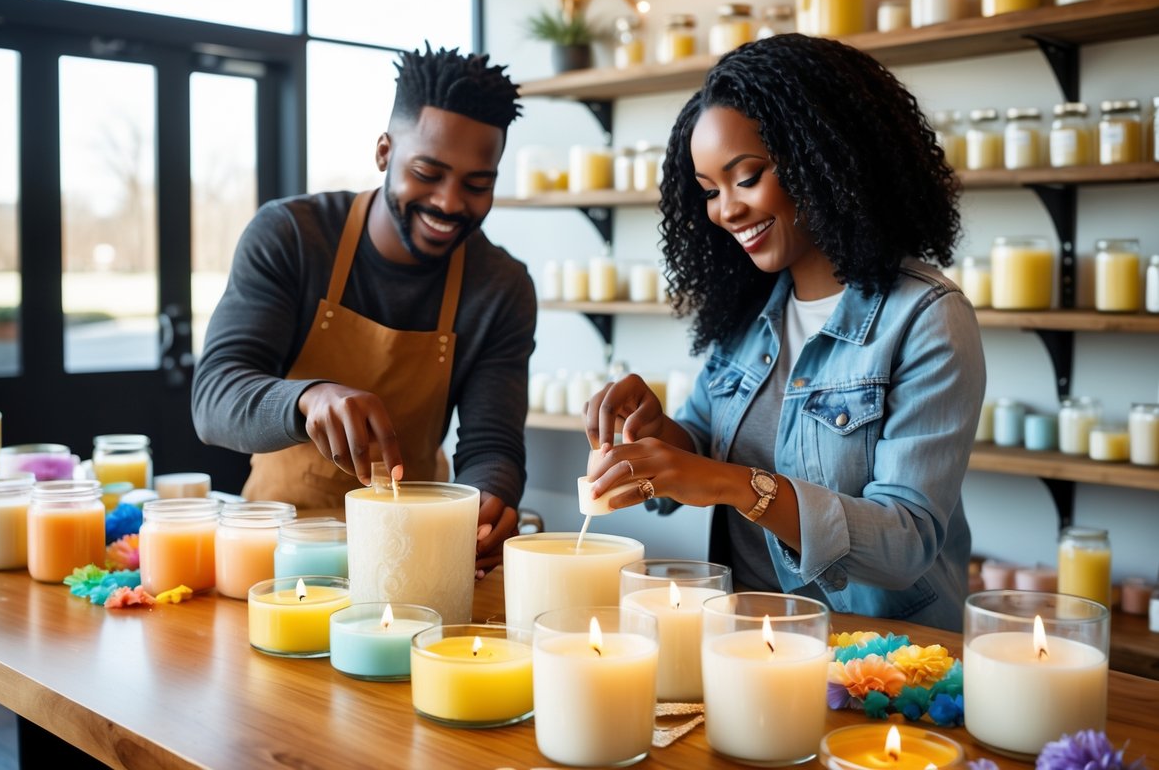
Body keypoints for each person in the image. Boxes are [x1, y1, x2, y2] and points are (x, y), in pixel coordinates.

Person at [584, 34, 985, 631]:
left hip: (872, 653)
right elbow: (703, 445)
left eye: (746, 178)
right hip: (742, 636)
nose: (726, 211)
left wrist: (733, 485)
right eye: (710, 192)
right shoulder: (747, 309)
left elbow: (905, 542)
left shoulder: (924, 316)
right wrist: (656, 433)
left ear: (824, 156)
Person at [192, 44, 535, 576]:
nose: (448, 203)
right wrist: (307, 399)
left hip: (411, 554)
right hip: (279, 549)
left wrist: (490, 501)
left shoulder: (501, 286)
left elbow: (491, 442)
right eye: (427, 171)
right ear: (383, 153)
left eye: (476, 184)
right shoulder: (291, 236)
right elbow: (214, 396)